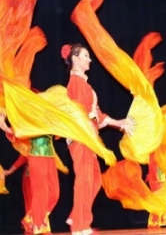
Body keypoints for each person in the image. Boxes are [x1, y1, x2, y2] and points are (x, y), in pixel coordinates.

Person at [61, 43, 127, 235]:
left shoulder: (84, 84)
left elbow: (97, 114)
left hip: (89, 138)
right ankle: (80, 225)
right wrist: (91, 134)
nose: (90, 59)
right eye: (86, 56)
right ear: (75, 59)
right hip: (83, 138)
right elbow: (82, 114)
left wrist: (119, 123)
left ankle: (78, 215)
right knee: (84, 179)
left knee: (95, 179)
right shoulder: (77, 83)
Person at [0, 115, 59, 235]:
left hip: (50, 159)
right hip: (36, 158)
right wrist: (4, 126)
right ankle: (37, 225)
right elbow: (19, 135)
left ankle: (31, 220)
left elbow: (59, 132)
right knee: (39, 194)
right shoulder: (30, 123)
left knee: (54, 193)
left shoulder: (48, 120)